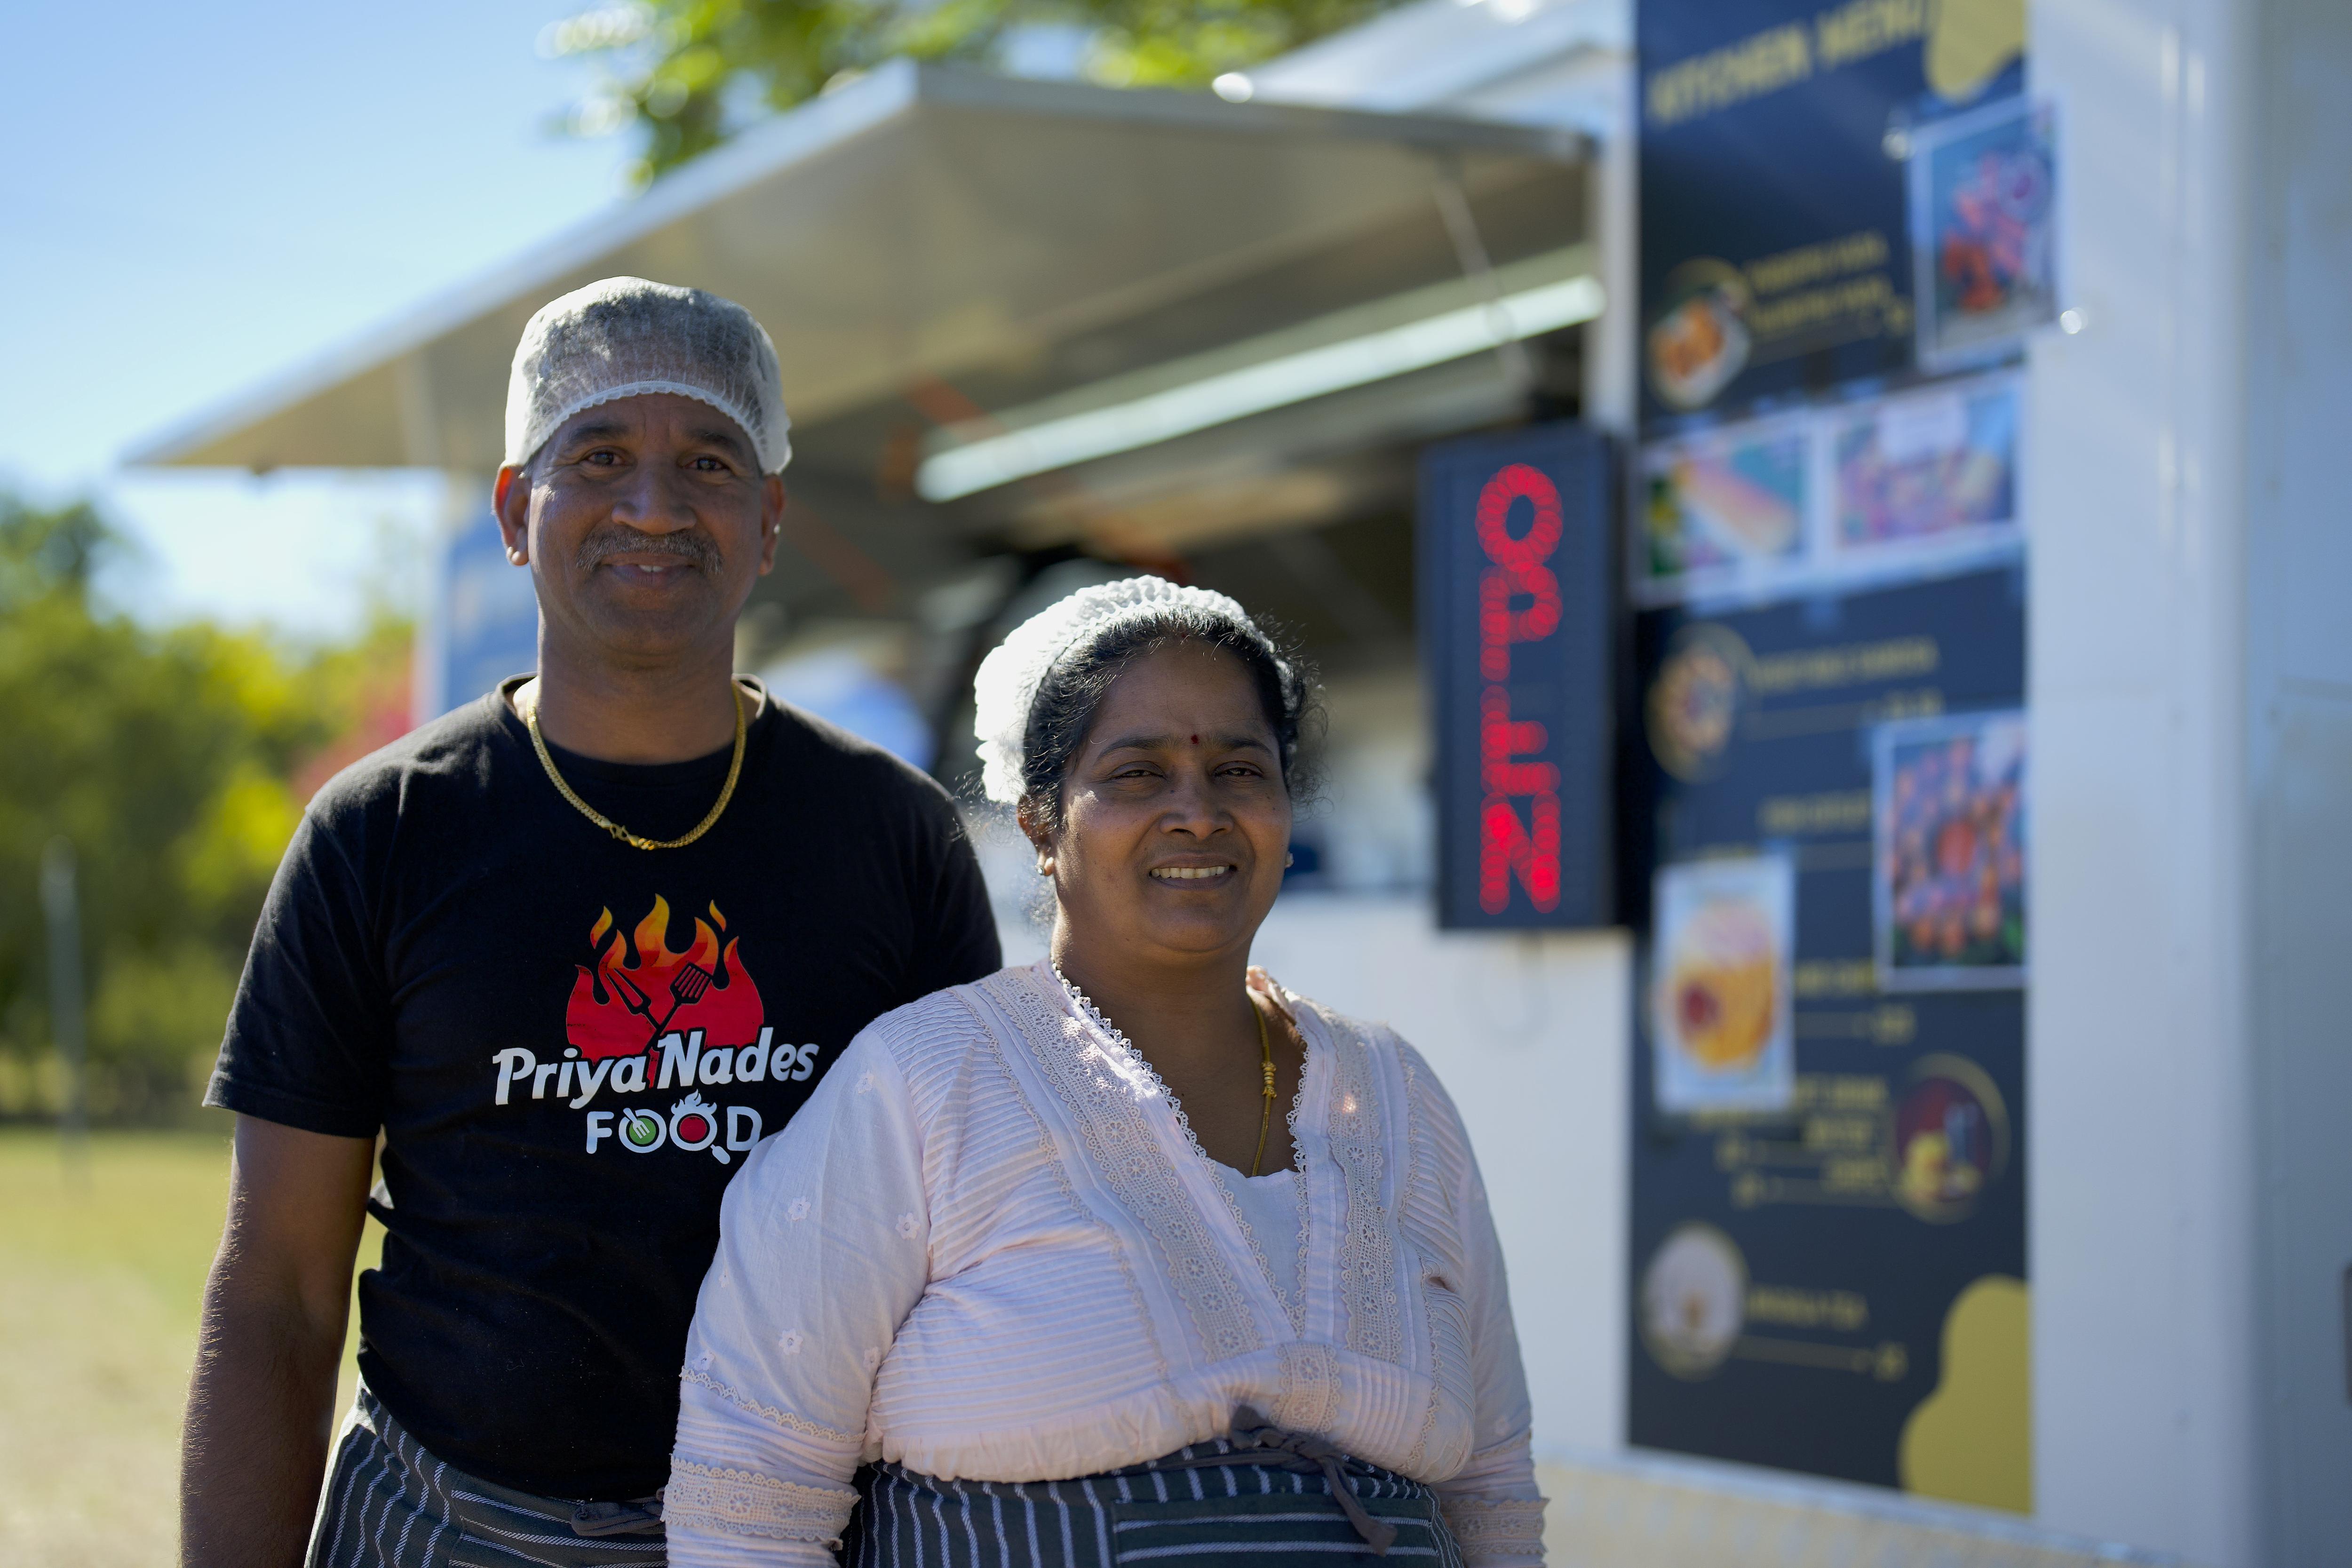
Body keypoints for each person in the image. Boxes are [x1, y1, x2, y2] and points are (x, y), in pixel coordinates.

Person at [181, 277, 1002, 1568]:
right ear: (517, 509)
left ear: (771, 517)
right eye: (601, 454)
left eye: (711, 460)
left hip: (800, 1531)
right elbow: (279, 1291)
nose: (656, 506)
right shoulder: (381, 833)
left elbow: (967, 1260)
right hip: (445, 1520)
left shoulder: (893, 835)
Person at [663, 578, 1547, 1567]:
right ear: (1040, 822)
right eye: (1136, 773)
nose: (1197, 812)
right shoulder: (920, 1082)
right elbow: (749, 1497)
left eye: (1240, 769)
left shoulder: (1391, 1092)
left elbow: (1494, 1490)